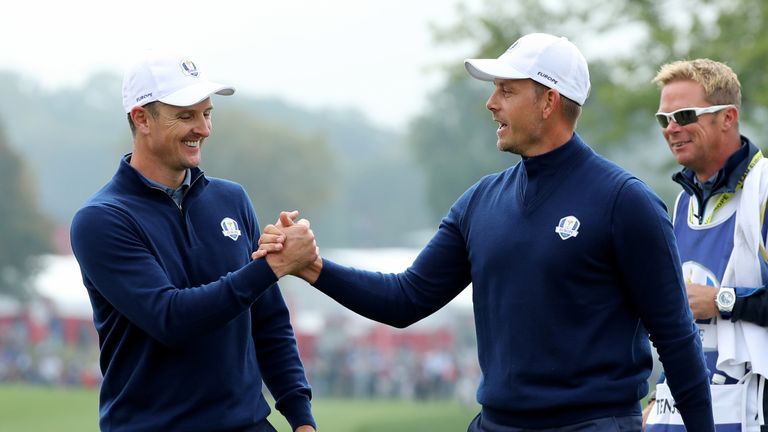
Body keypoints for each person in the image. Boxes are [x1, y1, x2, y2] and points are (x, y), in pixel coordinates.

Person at [256, 33, 715, 431]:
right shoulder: (479, 202)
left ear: (549, 100)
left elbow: (675, 337)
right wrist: (312, 267)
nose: (491, 102)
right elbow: (405, 300)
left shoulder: (624, 202)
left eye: (506, 90)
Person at [69, 50, 318, 432]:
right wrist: (271, 267)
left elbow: (268, 321)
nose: (202, 128)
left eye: (207, 113)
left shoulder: (232, 199)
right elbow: (171, 318)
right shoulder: (101, 219)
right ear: (141, 119)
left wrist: (301, 419)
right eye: (186, 115)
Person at [644, 59, 768, 430]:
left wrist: (721, 300)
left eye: (684, 115)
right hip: (682, 412)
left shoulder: (763, 188)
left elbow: (705, 304)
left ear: (727, 117)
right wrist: (658, 396)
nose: (672, 128)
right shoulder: (684, 202)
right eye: (663, 119)